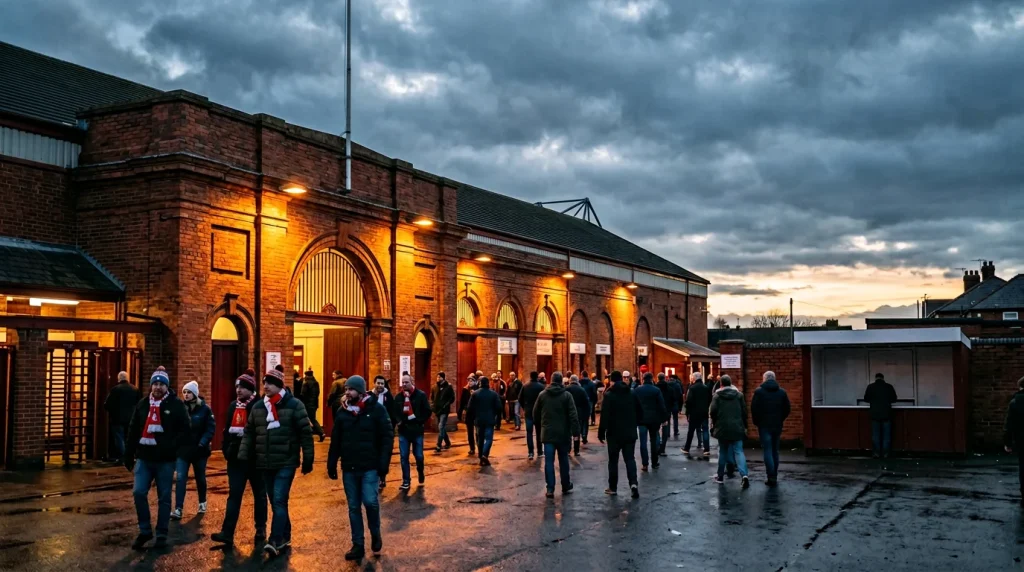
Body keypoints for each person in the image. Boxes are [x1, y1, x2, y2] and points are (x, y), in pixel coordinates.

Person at [238, 368, 315, 557]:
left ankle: (275, 540)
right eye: (264, 382)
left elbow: (305, 433)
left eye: (270, 383)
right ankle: (286, 535)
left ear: (279, 385)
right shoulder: (258, 407)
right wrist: (243, 454)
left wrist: (308, 458)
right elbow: (249, 432)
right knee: (275, 501)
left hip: (286, 462)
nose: (266, 386)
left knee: (279, 499)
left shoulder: (295, 405)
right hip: (265, 462)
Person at [327, 375, 395, 561]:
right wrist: (332, 463)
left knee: (370, 501)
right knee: (353, 506)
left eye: (350, 389)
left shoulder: (376, 410)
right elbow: (336, 440)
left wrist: (383, 465)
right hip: (349, 466)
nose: (347, 392)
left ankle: (375, 533)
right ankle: (357, 544)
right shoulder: (343, 411)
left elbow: (387, 437)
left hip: (370, 466)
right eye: (346, 389)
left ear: (361, 391)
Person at [124, 366, 189, 550]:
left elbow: (185, 430)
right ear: (151, 386)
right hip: (144, 458)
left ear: (167, 387)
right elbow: (133, 430)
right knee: (138, 492)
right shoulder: (143, 404)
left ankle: (161, 533)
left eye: (162, 384)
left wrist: (173, 449)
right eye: (155, 384)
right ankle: (145, 531)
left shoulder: (176, 405)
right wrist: (128, 455)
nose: (158, 387)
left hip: (165, 460)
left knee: (164, 498)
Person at [211, 369, 267, 547]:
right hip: (235, 459)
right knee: (234, 495)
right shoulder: (233, 406)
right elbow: (227, 429)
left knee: (260, 495)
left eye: (243, 387)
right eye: (237, 387)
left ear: (251, 389)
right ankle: (227, 533)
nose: (239, 390)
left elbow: (263, 432)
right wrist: (226, 449)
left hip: (255, 460)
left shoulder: (259, 406)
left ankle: (261, 529)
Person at [172, 380, 215, 520]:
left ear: (195, 394)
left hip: (199, 451)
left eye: (189, 392)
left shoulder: (205, 409)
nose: (186, 394)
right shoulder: (180, 408)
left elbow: (210, 428)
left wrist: (203, 443)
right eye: (184, 392)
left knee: (200, 477)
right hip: (183, 450)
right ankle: (178, 508)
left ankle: (202, 502)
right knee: (180, 478)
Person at [534, 372, 580, 498]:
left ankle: (550, 488)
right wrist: (576, 433)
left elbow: (535, 413)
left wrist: (541, 425)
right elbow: (573, 415)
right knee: (563, 459)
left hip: (548, 433)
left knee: (549, 461)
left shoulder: (542, 395)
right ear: (561, 382)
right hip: (563, 433)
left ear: (550, 380)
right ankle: (565, 485)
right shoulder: (567, 396)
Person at [598, 371, 640, 498]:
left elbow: (604, 416)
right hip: (629, 432)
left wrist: (601, 433)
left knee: (613, 461)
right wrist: (635, 423)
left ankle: (613, 487)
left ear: (612, 381)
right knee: (630, 459)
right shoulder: (631, 393)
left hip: (614, 433)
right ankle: (633, 484)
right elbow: (639, 411)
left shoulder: (609, 395)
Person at [751, 370, 791, 486]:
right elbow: (787, 409)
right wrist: (780, 419)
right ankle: (775, 475)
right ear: (774, 378)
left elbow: (754, 409)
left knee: (767, 450)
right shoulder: (782, 393)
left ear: (764, 379)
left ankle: (770, 476)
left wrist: (757, 422)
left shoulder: (759, 392)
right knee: (775, 451)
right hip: (777, 424)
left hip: (764, 425)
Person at [710, 375, 749, 488]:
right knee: (739, 451)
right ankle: (744, 475)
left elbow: (712, 412)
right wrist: (744, 426)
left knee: (723, 451)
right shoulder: (739, 395)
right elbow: (744, 412)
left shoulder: (717, 396)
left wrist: (715, 423)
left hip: (722, 428)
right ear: (731, 383)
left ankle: (720, 476)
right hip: (737, 427)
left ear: (721, 384)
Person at [392, 374, 431, 489]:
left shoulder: (420, 395)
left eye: (406, 382)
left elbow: (427, 411)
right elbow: (395, 412)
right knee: (404, 456)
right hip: (404, 431)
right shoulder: (399, 397)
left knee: (418, 455)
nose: (404, 385)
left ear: (412, 382)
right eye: (402, 382)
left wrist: (419, 420)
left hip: (417, 431)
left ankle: (420, 471)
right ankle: (406, 481)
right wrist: (399, 421)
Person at [104, 371, 140, 464]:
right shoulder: (135, 389)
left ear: (119, 378)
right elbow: (139, 404)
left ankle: (123, 458)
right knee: (130, 438)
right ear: (127, 378)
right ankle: (131, 456)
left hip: (117, 418)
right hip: (131, 418)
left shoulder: (115, 389)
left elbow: (108, 404)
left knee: (119, 438)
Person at [634, 372, 668, 471]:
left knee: (643, 442)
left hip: (641, 420)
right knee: (654, 441)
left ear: (643, 379)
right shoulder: (656, 390)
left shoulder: (637, 390)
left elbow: (634, 405)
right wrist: (664, 418)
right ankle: (654, 462)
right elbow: (661, 405)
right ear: (652, 379)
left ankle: (645, 464)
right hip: (654, 419)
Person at [467, 376, 502, 466]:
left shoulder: (475, 394)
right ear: (488, 384)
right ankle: (484, 455)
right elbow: (499, 407)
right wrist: (495, 415)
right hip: (490, 419)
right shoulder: (493, 394)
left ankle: (481, 455)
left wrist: (473, 417)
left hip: (478, 419)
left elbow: (470, 408)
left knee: (480, 438)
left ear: (480, 383)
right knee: (489, 438)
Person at [863, 373, 899, 458]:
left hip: (875, 414)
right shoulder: (889, 387)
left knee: (876, 435)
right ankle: (886, 453)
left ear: (875, 378)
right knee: (886, 435)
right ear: (883, 378)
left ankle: (876, 453)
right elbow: (894, 399)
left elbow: (866, 399)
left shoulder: (870, 387)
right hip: (887, 414)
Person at [1003, 376, 1024, 505]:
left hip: (1022, 441)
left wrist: (1008, 443)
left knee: (1023, 467)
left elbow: (1009, 425)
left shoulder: (1015, 402)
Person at [682, 371, 712, 459]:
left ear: (694, 378)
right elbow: (710, 399)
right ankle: (706, 449)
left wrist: (687, 413)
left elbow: (689, 401)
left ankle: (687, 448)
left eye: (692, 378)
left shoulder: (692, 388)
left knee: (691, 431)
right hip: (703, 412)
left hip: (694, 412)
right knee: (705, 430)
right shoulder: (706, 388)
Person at [519, 371, 545, 460]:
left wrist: (525, 407)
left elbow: (520, 398)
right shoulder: (541, 386)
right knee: (539, 432)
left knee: (529, 433)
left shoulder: (525, 386)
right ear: (537, 376)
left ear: (530, 376)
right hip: (538, 412)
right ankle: (540, 451)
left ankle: (530, 452)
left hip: (529, 412)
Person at [566, 375, 591, 456]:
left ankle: (568, 449)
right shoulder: (581, 390)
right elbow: (586, 403)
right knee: (576, 432)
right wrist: (587, 414)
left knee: (568, 432)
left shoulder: (566, 389)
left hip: (568, 413)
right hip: (578, 413)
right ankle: (576, 450)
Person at [431, 372, 455, 451]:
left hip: (444, 410)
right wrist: (433, 406)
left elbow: (452, 398)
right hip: (437, 410)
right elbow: (432, 397)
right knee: (442, 428)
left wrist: (446, 404)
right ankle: (447, 442)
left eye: (439, 377)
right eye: (437, 377)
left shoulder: (448, 387)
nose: (438, 378)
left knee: (441, 426)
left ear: (443, 378)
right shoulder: (435, 387)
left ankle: (438, 445)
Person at [300, 369, 326, 442]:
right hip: (314, 404)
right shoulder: (316, 383)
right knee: (312, 418)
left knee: (310, 419)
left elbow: (303, 394)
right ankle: (317, 433)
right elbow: (318, 393)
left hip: (307, 404)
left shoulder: (306, 383)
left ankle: (320, 433)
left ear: (306, 375)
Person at [656, 373, 677, 455]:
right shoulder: (670, 389)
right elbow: (673, 400)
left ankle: (657, 446)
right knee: (665, 430)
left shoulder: (655, 388)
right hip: (666, 411)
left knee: (656, 430)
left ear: (658, 378)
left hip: (657, 412)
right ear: (665, 378)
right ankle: (662, 448)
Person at [458, 374, 479, 456]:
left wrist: (475, 394)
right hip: (469, 413)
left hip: (477, 413)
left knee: (478, 431)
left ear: (475, 381)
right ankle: (472, 448)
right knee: (470, 432)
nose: (470, 382)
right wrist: (459, 413)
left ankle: (479, 446)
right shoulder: (465, 389)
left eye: (471, 381)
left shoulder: (478, 389)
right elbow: (462, 402)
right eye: (468, 381)